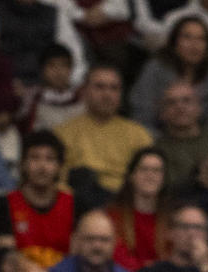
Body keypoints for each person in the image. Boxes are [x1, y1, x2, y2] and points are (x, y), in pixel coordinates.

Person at [55, 66, 153, 200]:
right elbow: (57, 180)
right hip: (78, 202)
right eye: (99, 87)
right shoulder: (63, 133)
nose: (107, 94)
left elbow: (148, 176)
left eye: (114, 88)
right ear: (84, 91)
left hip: (123, 202)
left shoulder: (139, 135)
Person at [0, 131, 73, 272]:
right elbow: (7, 256)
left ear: (59, 166)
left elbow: (79, 255)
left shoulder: (75, 204)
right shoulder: (4, 204)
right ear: (23, 164)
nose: (42, 166)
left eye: (50, 159)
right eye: (35, 158)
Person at [131, 13, 208, 133]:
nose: (194, 45)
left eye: (201, 39)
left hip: (202, 142)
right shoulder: (155, 69)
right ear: (174, 42)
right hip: (158, 140)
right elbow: (142, 115)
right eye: (187, 37)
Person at [106, 147, 170, 272]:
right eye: (144, 169)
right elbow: (116, 257)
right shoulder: (112, 216)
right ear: (131, 175)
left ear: (163, 178)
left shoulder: (173, 218)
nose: (150, 176)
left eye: (156, 171)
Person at [140, 202, 208, 272]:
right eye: (184, 227)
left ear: (207, 234)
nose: (191, 233)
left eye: (198, 227)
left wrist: (205, 267)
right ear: (170, 232)